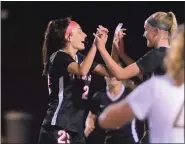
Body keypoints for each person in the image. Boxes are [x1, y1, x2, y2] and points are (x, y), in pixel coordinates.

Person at [94, 11, 178, 143]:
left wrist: (101, 48)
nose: (144, 34)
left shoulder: (156, 55)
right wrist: (121, 53)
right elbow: (141, 72)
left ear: (156, 32)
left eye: (146, 30)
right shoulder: (169, 53)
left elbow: (120, 74)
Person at [38, 17, 110, 144]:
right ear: (68, 37)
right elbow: (81, 70)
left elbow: (111, 72)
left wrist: (111, 46)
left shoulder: (81, 59)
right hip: (58, 125)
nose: (85, 34)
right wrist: (95, 45)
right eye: (80, 31)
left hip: (76, 128)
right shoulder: (58, 57)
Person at [84, 76, 139, 144]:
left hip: (130, 140)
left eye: (114, 73)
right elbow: (91, 115)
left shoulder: (131, 95)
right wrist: (89, 124)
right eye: (109, 72)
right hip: (109, 140)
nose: (112, 75)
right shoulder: (99, 96)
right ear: (105, 76)